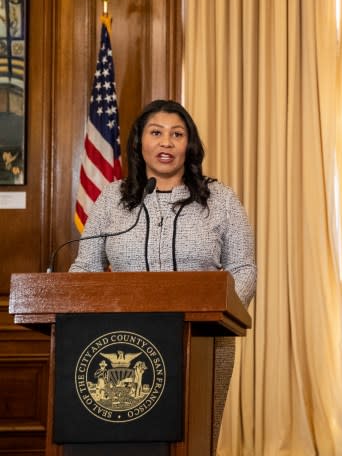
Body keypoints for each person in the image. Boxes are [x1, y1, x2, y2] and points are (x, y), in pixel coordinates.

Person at [70, 98, 256, 453]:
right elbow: (86, 266)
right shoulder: (112, 199)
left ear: (190, 145)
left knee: (195, 440)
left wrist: (221, 314)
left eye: (177, 134)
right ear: (141, 142)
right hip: (120, 341)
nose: (166, 142)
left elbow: (243, 268)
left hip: (204, 341)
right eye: (156, 133)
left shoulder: (220, 199)